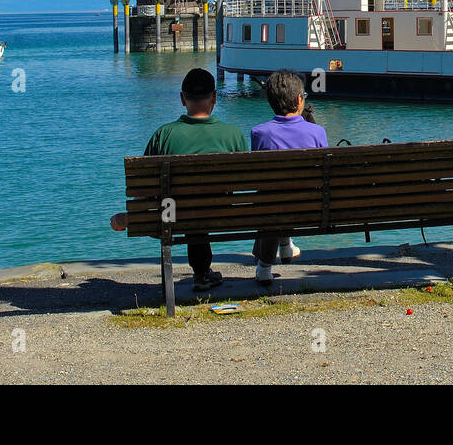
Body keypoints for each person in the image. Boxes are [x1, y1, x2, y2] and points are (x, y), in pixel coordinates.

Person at [115, 68, 246, 293]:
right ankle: (202, 272)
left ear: (182, 98)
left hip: (173, 215)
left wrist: (132, 216)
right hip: (224, 213)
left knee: (185, 207)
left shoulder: (163, 135)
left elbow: (143, 191)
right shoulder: (233, 135)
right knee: (200, 206)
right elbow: (245, 184)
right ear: (214, 97)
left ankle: (201, 273)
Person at [249, 70, 329, 284]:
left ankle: (264, 266)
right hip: (310, 207)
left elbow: (258, 177)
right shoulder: (317, 132)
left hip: (271, 208)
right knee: (286, 195)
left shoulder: (259, 133)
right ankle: (285, 246)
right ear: (299, 100)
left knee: (272, 195)